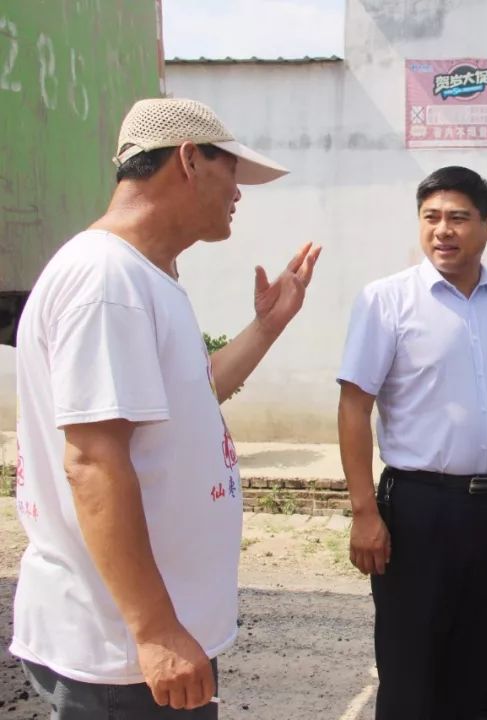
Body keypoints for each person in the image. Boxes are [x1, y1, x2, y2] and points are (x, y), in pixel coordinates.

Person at [11, 98, 321, 718]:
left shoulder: (146, 278)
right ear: (187, 159)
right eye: (230, 170)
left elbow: (192, 395)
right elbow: (93, 462)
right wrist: (154, 631)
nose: (238, 192)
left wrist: (265, 328)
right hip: (120, 654)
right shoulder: (107, 280)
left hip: (144, 644)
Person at [336, 165, 487, 719]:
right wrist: (364, 512)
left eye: (458, 218)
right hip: (417, 508)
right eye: (431, 217)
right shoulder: (385, 301)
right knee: (411, 665)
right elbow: (353, 407)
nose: (443, 230)